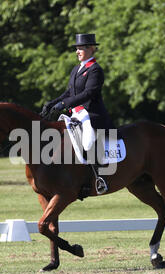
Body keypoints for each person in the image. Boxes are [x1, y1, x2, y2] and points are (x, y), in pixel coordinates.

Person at [40, 33, 115, 194]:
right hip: (77, 113)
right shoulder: (76, 69)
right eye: (77, 48)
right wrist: (52, 103)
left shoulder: (95, 70)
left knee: (87, 142)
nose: (77, 51)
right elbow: (69, 92)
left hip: (92, 114)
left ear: (91, 49)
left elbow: (89, 94)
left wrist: (64, 104)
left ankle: (99, 178)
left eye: (80, 48)